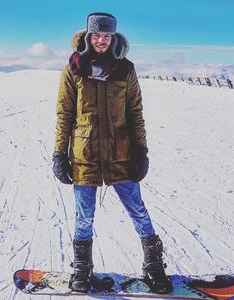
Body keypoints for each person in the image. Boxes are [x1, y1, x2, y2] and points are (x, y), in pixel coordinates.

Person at [53, 12, 172, 294]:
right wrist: (59, 153)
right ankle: (82, 271)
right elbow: (64, 114)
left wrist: (141, 151)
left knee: (139, 212)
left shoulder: (125, 69)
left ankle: (154, 267)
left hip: (121, 154)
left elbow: (135, 114)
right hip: (85, 156)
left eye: (107, 36)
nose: (102, 40)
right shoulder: (73, 69)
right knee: (84, 218)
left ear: (114, 37)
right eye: (97, 35)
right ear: (88, 36)